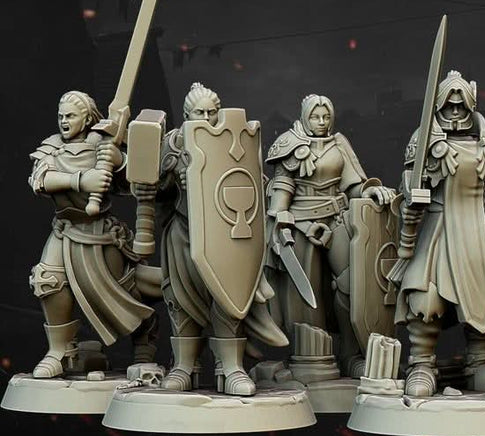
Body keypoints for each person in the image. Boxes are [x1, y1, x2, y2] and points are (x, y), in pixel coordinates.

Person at [392, 70, 485, 397]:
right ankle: (421, 363)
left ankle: (479, 362)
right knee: (426, 296)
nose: (455, 112)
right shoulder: (424, 139)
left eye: (460, 106)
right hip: (439, 226)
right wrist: (412, 197)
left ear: (470, 106)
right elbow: (409, 183)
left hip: (477, 230)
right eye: (449, 106)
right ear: (438, 106)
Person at [146, 82, 287, 395]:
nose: (207, 117)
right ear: (186, 115)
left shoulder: (232, 139)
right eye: (200, 112)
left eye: (212, 112)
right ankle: (184, 365)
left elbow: (251, 182)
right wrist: (174, 179)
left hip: (224, 236)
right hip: (183, 233)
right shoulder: (173, 143)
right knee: (180, 299)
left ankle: (231, 366)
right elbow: (150, 187)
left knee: (227, 295)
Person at [29, 90, 157, 378]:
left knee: (122, 290)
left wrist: (120, 160)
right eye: (61, 116)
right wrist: (80, 180)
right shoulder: (52, 147)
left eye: (70, 116)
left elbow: (135, 184)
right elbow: (40, 180)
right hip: (64, 229)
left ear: (87, 119)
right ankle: (59, 351)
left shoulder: (102, 144)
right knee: (48, 280)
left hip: (100, 232)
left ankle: (145, 335)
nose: (64, 121)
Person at [265, 94, 394, 376]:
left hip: (337, 219)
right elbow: (281, 192)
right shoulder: (289, 145)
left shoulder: (339, 143)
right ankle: (310, 359)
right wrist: (281, 220)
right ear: (304, 117)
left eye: (326, 117)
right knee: (305, 295)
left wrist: (369, 190)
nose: (321, 122)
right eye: (315, 117)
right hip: (301, 225)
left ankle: (351, 354)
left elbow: (353, 185)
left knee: (351, 284)